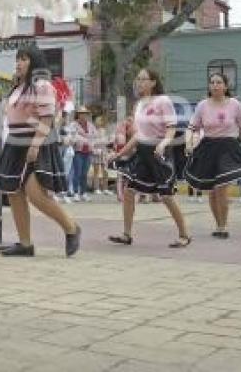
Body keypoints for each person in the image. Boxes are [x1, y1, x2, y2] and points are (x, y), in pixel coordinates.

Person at [0, 45, 80, 258]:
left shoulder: (42, 85)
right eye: (17, 59)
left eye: (23, 59)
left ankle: (71, 228)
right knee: (14, 193)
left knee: (36, 195)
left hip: (34, 143)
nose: (18, 63)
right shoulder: (19, 86)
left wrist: (35, 144)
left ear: (34, 61)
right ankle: (25, 243)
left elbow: (47, 118)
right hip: (14, 143)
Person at [108, 68, 191, 247]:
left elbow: (171, 128)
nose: (140, 82)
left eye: (144, 79)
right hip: (142, 153)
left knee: (166, 196)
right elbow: (138, 135)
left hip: (159, 152)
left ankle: (184, 235)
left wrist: (163, 143)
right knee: (129, 191)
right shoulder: (138, 105)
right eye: (138, 79)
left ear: (153, 82)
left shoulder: (163, 101)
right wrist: (120, 154)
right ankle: (126, 234)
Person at [184, 73, 241, 238]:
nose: (215, 85)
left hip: (229, 148)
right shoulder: (202, 105)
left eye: (219, 82)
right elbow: (192, 127)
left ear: (225, 86)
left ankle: (224, 226)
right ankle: (218, 224)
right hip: (208, 147)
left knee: (221, 188)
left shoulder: (235, 104)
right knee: (212, 190)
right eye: (212, 82)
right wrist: (188, 144)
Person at [69, 106, 95, 201]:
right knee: (77, 172)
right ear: (78, 114)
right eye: (81, 113)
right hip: (78, 151)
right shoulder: (73, 125)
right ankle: (75, 192)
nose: (83, 115)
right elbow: (72, 136)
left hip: (88, 151)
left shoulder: (91, 125)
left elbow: (94, 136)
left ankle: (83, 193)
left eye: (85, 113)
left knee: (85, 173)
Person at [91, 115, 110, 195]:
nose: (100, 122)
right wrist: (102, 141)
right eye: (98, 121)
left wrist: (104, 141)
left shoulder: (104, 130)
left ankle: (105, 188)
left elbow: (107, 141)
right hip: (96, 152)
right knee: (96, 171)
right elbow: (92, 142)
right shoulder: (93, 131)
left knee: (105, 171)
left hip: (104, 152)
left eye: (101, 121)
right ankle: (96, 188)